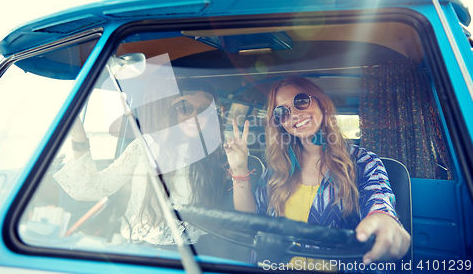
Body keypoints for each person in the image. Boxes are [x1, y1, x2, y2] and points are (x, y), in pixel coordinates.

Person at [224, 76, 410, 265]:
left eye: (301, 101)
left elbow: (379, 202)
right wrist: (239, 169)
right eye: (282, 112)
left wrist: (385, 221)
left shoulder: (363, 162)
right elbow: (251, 220)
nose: (295, 115)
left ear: (322, 104)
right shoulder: (277, 170)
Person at [54, 78, 251, 246]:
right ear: (173, 109)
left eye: (203, 110)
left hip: (186, 256)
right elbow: (92, 188)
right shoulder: (144, 146)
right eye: (185, 107)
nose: (194, 116)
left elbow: (241, 221)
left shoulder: (217, 157)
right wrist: (78, 137)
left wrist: (239, 169)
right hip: (136, 251)